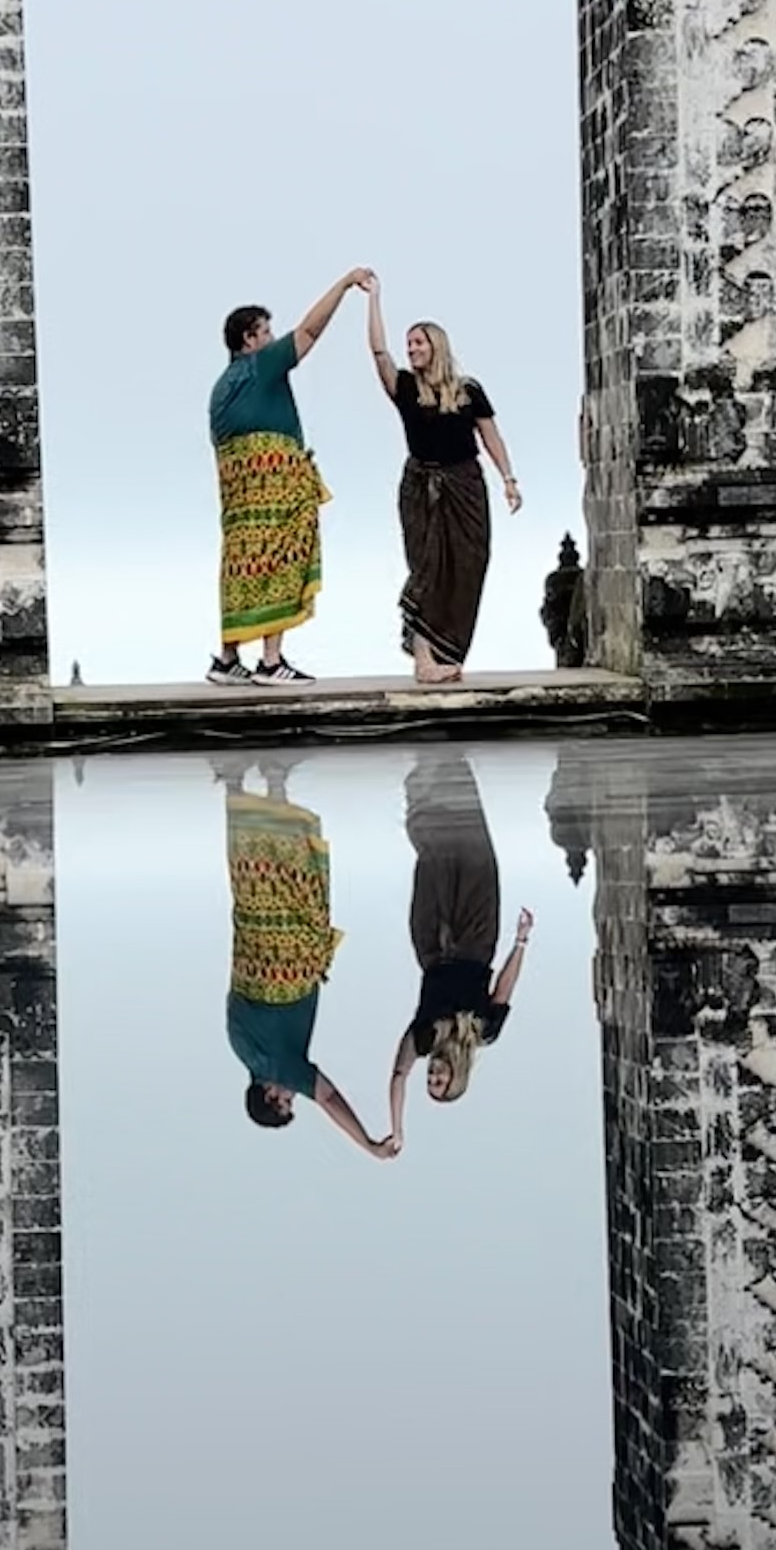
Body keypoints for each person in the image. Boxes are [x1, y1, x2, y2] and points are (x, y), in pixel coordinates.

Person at [220, 760, 402, 1155]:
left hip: (287, 968)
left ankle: (275, 780)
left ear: (269, 1095)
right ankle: (240, 784)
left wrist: (369, 1144)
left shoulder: (277, 1069)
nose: (292, 1095)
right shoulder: (241, 1049)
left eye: (285, 1101)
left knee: (299, 885)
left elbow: (330, 1099)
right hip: (254, 948)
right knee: (260, 878)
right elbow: (235, 1001)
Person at [208, 272, 374, 685]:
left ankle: (228, 660)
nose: (272, 338)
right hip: (274, 483)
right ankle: (270, 661)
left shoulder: (221, 387)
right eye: (266, 332)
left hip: (237, 495)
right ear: (249, 339)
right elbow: (311, 330)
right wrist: (345, 283)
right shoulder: (260, 366)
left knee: (242, 561)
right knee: (279, 554)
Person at [364, 284, 522, 685]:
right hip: (421, 483)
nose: (411, 349)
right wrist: (374, 298)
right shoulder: (404, 387)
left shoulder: (468, 390)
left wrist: (509, 479)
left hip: (465, 483)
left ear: (435, 346)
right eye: (409, 343)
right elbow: (379, 353)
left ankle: (447, 650)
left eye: (418, 342)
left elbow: (491, 437)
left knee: (470, 564)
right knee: (428, 568)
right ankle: (423, 659)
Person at [385, 751, 533, 1128]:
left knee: (433, 861)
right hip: (476, 943)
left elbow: (398, 1075)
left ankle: (422, 782)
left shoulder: (420, 1040)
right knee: (477, 856)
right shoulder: (484, 1032)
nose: (433, 1075)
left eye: (430, 1081)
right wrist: (521, 943)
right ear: (457, 1078)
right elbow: (503, 988)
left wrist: (396, 1129)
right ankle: (454, 769)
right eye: (441, 1082)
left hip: (432, 946)